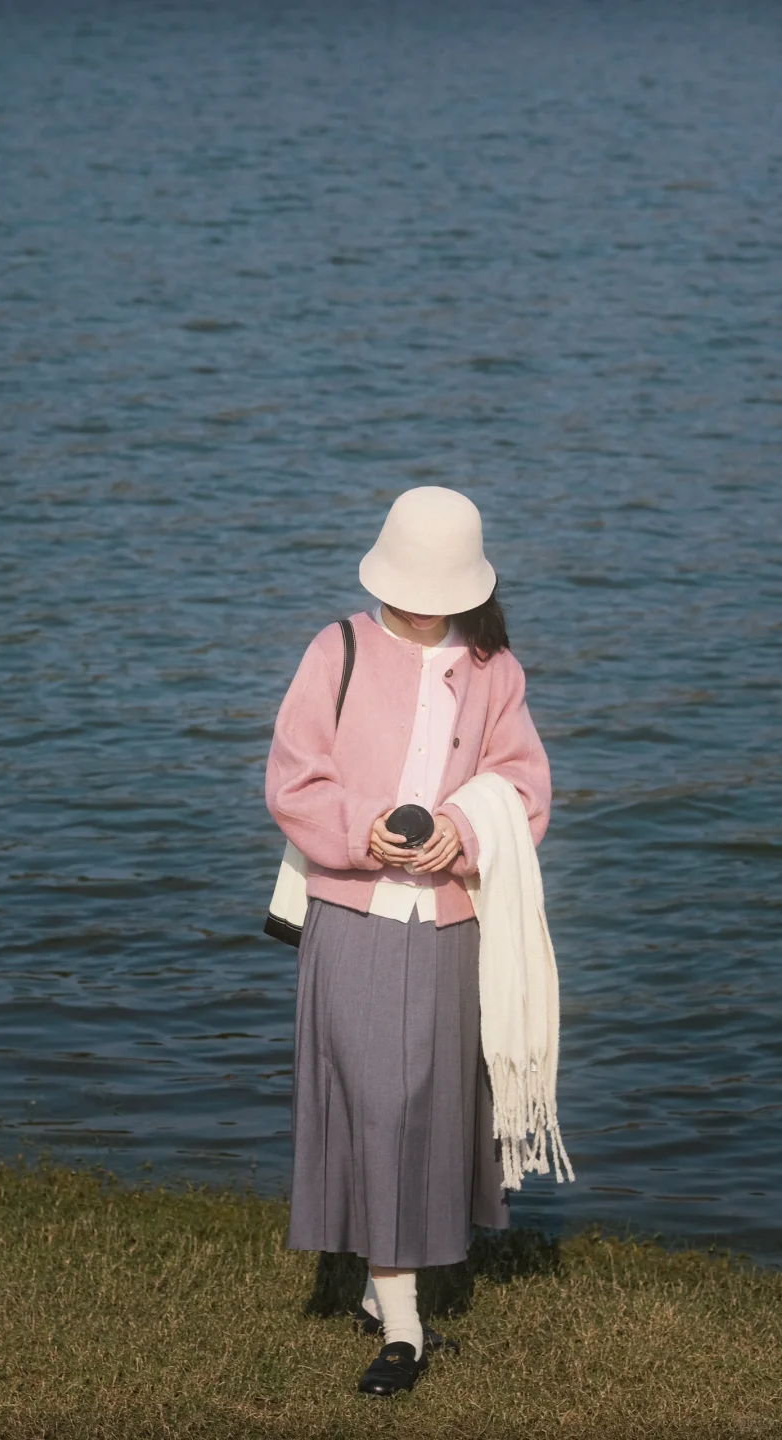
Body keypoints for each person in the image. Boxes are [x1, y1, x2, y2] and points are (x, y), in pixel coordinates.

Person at [265, 486, 552, 1397]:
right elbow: (292, 778)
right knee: (377, 1106)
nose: (423, 603)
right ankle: (404, 1328)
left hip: (451, 926)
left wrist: (462, 831)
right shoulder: (337, 648)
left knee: (427, 1109)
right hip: (353, 916)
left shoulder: (495, 668)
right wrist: (365, 831)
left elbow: (524, 786)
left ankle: (385, 1288)